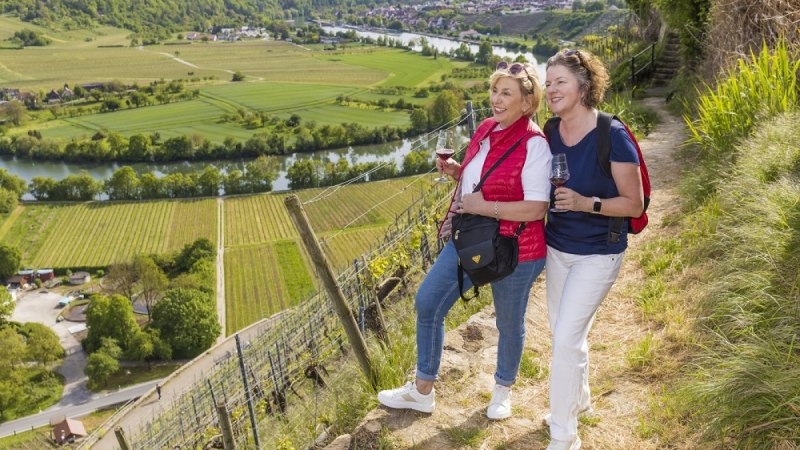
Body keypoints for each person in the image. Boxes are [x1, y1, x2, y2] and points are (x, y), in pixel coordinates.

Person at [377, 61, 552, 420]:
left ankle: (502, 389)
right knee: (427, 302)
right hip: (472, 239)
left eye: (507, 93)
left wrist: (485, 206)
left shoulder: (535, 145)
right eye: (494, 91)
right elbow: (483, 179)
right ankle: (422, 390)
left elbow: (536, 209)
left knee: (508, 321)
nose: (497, 100)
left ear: (528, 102)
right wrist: (459, 171)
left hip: (516, 249)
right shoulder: (486, 129)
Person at [542, 49, 645, 450]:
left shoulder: (612, 135)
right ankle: (579, 398)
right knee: (564, 334)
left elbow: (633, 204)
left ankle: (564, 435)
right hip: (558, 249)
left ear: (584, 86)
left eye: (560, 82)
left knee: (566, 338)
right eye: (548, 83)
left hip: (600, 253)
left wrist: (588, 203)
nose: (551, 90)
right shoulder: (550, 132)